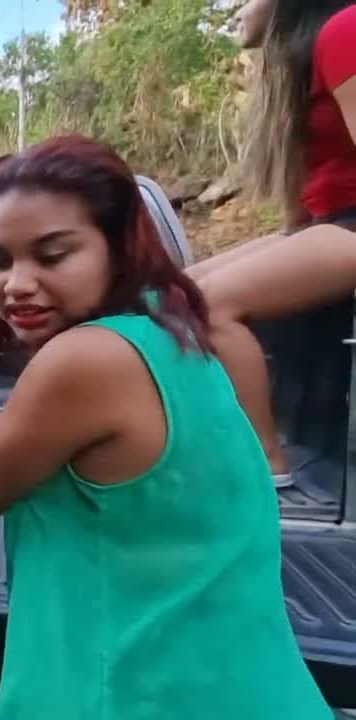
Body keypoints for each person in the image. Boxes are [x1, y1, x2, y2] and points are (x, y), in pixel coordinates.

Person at [0, 135, 332, 719]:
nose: (16, 283)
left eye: (53, 255)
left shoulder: (86, 359)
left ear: (118, 246)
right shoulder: (175, 326)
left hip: (130, 694)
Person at [185, 0, 356, 488]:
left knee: (210, 301)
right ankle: (192, 433)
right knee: (176, 289)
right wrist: (288, 242)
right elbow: (313, 189)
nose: (238, 7)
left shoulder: (348, 29)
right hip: (330, 223)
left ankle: (263, 459)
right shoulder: (301, 59)